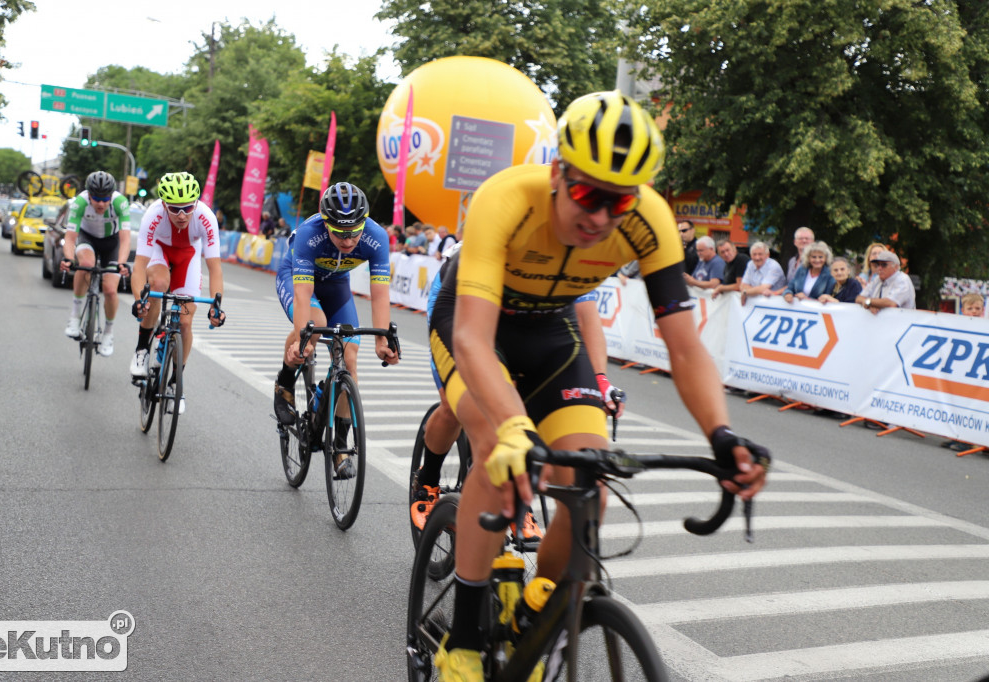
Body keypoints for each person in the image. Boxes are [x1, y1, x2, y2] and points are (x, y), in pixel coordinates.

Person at [428, 90, 768, 679]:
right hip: (475, 325)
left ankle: (539, 611)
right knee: (492, 449)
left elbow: (684, 347)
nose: (602, 217)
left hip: (553, 334)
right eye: (588, 194)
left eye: (620, 202)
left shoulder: (649, 221)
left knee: (592, 478)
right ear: (558, 172)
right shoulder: (506, 198)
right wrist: (513, 429)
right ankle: (461, 638)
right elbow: (473, 342)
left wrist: (722, 434)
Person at [410, 242, 627, 537]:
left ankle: (517, 499)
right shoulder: (514, 223)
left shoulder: (580, 251)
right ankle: (427, 479)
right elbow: (474, 337)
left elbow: (588, 319)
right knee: (458, 405)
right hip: (465, 296)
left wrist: (600, 380)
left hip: (534, 315)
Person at [272, 182, 399, 477]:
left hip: (337, 285)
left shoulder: (377, 237)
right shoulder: (308, 234)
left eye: (355, 231)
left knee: (350, 359)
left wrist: (382, 339)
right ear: (326, 223)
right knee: (313, 329)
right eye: (340, 232)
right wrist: (304, 339)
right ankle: (285, 382)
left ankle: (340, 445)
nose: (349, 239)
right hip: (299, 278)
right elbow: (303, 295)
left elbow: (380, 294)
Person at [129, 172, 226, 415]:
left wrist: (217, 306)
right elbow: (139, 265)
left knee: (185, 321)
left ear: (196, 203)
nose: (182, 215)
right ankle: (142, 349)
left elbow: (215, 268)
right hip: (160, 253)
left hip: (188, 257)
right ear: (164, 205)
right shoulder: (153, 215)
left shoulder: (206, 217)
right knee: (159, 284)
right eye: (174, 209)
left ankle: (175, 384)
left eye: (187, 208)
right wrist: (139, 300)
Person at [61, 171, 131, 357]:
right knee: (86, 263)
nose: (101, 203)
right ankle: (75, 316)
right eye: (96, 198)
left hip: (112, 243)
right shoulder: (80, 203)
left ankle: (108, 332)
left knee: (109, 289)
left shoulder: (120, 203)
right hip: (87, 238)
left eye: (105, 198)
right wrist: (68, 259)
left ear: (111, 196)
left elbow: (125, 240)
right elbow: (69, 239)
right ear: (89, 195)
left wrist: (122, 263)